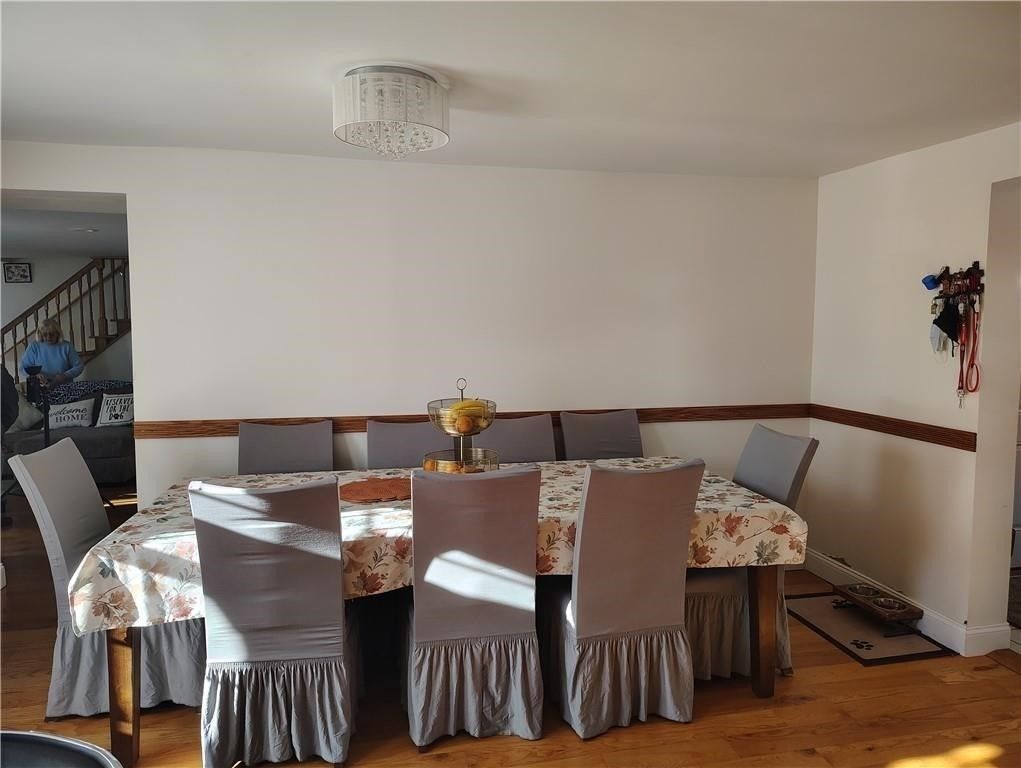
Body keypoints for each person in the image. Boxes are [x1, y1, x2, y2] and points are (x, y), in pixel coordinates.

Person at [19, 319, 83, 386]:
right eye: (45, 334)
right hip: (40, 388)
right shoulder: (34, 346)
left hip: (64, 387)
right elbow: (23, 367)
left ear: (58, 333)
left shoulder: (67, 346)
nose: (48, 337)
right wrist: (36, 375)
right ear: (40, 334)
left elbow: (79, 366)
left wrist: (65, 375)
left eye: (52, 334)